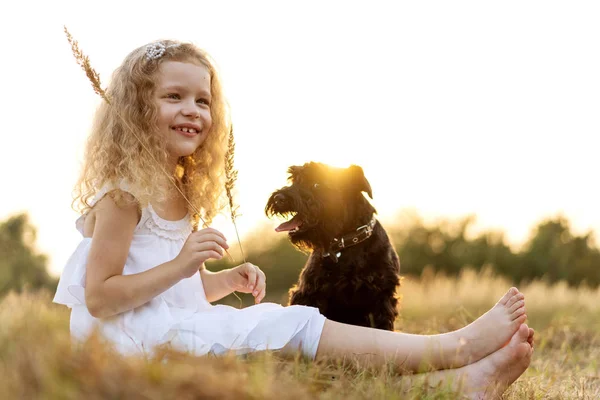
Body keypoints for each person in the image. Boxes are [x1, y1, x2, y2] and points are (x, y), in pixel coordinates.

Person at [53, 39, 534, 398]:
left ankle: (458, 385)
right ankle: (456, 346)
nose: (192, 111)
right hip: (127, 341)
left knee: (294, 375)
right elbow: (99, 298)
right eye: (173, 97)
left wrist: (222, 282)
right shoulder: (123, 196)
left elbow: (183, 291)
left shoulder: (180, 190)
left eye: (203, 101)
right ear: (138, 109)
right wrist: (182, 266)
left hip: (171, 323)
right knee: (294, 325)